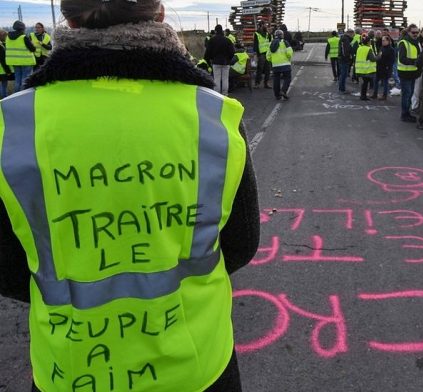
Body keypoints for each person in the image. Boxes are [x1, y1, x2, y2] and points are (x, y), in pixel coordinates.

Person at [0, 0, 260, 389]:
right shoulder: (213, 117)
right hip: (195, 365)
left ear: (66, 19)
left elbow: (7, 267)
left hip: (70, 368)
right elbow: (240, 243)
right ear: (158, 14)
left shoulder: (12, 124)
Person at [397, 24, 421, 122]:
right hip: (405, 73)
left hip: (413, 73)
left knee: (410, 94)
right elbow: (402, 59)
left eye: (417, 32)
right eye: (413, 32)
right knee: (406, 94)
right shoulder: (404, 43)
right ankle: (405, 114)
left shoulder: (417, 42)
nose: (415, 34)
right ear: (408, 32)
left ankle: (407, 113)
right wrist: (415, 61)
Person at [204, 24, 235, 95]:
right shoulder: (227, 40)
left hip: (216, 62)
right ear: (222, 31)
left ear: (215, 31)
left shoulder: (212, 40)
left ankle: (217, 95)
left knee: (217, 79)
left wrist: (210, 59)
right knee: (225, 79)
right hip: (226, 62)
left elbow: (208, 52)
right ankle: (225, 94)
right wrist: (229, 59)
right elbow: (232, 52)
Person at [5, 20, 36, 91]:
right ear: (23, 28)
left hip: (15, 62)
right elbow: (33, 49)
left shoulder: (8, 37)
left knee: (17, 80)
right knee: (25, 80)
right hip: (26, 62)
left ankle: (16, 95)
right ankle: (23, 96)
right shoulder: (24, 37)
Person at [267, 29, 293, 100]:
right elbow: (289, 53)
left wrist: (273, 61)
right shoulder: (285, 42)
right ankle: (283, 91)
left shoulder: (271, 43)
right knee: (287, 78)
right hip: (285, 64)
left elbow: (268, 56)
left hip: (275, 65)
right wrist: (288, 59)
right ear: (282, 35)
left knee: (276, 79)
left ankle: (277, 95)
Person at [355, 33, 377, 101]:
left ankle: (363, 95)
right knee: (365, 83)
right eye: (370, 42)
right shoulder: (368, 49)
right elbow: (373, 59)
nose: (370, 43)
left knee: (364, 83)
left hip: (360, 69)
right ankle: (363, 96)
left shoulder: (359, 48)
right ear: (368, 42)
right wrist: (379, 56)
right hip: (366, 69)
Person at [374, 34, 395, 100]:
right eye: (382, 40)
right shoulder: (382, 48)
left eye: (384, 40)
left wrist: (388, 67)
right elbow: (379, 56)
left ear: (388, 41)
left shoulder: (391, 49)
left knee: (385, 82)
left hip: (386, 68)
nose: (382, 42)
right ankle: (375, 94)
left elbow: (392, 60)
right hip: (379, 67)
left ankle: (384, 95)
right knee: (376, 80)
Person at [253, 21, 272, 88]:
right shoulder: (257, 33)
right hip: (261, 54)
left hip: (267, 54)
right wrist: (256, 54)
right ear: (261, 25)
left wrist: (269, 33)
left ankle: (266, 83)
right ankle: (257, 83)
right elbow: (255, 44)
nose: (266, 26)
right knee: (260, 69)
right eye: (265, 25)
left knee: (268, 69)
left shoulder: (267, 33)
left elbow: (270, 41)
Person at [338, 29, 355, 94]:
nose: (353, 36)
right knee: (344, 74)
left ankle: (341, 88)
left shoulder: (344, 39)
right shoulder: (346, 40)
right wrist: (349, 56)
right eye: (353, 34)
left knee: (343, 74)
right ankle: (342, 89)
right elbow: (345, 50)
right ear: (350, 34)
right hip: (344, 59)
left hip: (342, 58)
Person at [0, 29, 12, 98]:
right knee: (4, 84)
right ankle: (4, 98)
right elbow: (2, 60)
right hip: (2, 70)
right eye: (5, 36)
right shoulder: (1, 47)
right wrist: (8, 71)